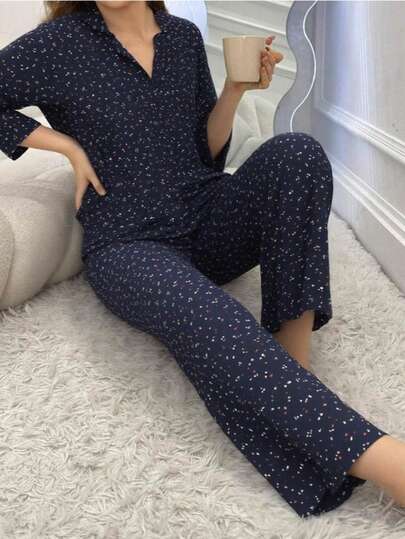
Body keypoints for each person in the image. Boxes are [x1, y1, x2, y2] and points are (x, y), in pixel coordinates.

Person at [0, 0, 404, 519]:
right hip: (130, 244)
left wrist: (234, 91)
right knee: (215, 320)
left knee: (298, 154)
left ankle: (293, 362)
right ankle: (390, 466)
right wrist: (65, 146)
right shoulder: (58, 44)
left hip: (207, 215)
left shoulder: (183, 38)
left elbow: (205, 153)